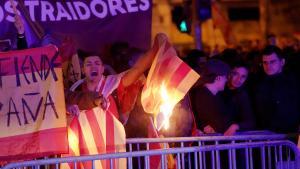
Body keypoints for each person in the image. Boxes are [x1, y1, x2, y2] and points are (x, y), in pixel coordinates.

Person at [65, 33, 166, 123]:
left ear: (102, 69)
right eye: (88, 64)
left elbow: (137, 69)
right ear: (83, 70)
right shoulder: (75, 88)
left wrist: (156, 48)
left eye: (97, 63)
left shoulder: (113, 84)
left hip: (112, 140)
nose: (93, 67)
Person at [254, 45, 300, 134]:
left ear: (282, 62)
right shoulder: (260, 86)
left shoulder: (294, 83)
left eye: (272, 62)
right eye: (265, 62)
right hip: (268, 139)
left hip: (292, 137)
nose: (268, 66)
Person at [192, 59, 233, 134]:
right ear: (218, 78)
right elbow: (220, 125)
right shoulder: (203, 96)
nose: (226, 80)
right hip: (209, 143)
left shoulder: (214, 95)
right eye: (226, 77)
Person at [221, 62, 255, 135]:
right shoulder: (219, 89)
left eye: (243, 76)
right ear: (229, 73)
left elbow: (250, 122)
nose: (238, 79)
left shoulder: (243, 95)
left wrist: (236, 126)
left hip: (232, 138)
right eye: (235, 74)